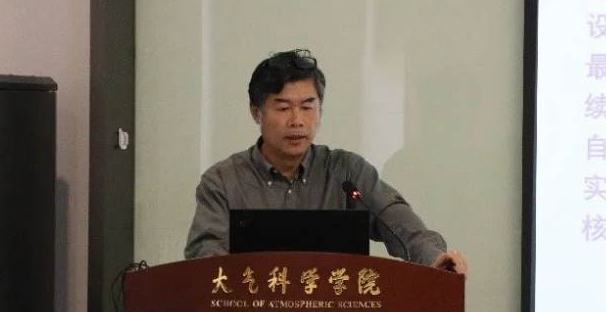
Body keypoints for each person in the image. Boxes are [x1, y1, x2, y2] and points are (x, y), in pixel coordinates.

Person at [184, 49, 468, 275]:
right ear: (256, 113)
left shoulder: (347, 173)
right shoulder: (223, 181)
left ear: (320, 110)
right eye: (283, 108)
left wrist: (435, 259)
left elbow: (399, 222)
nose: (297, 120)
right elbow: (206, 252)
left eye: (307, 107)